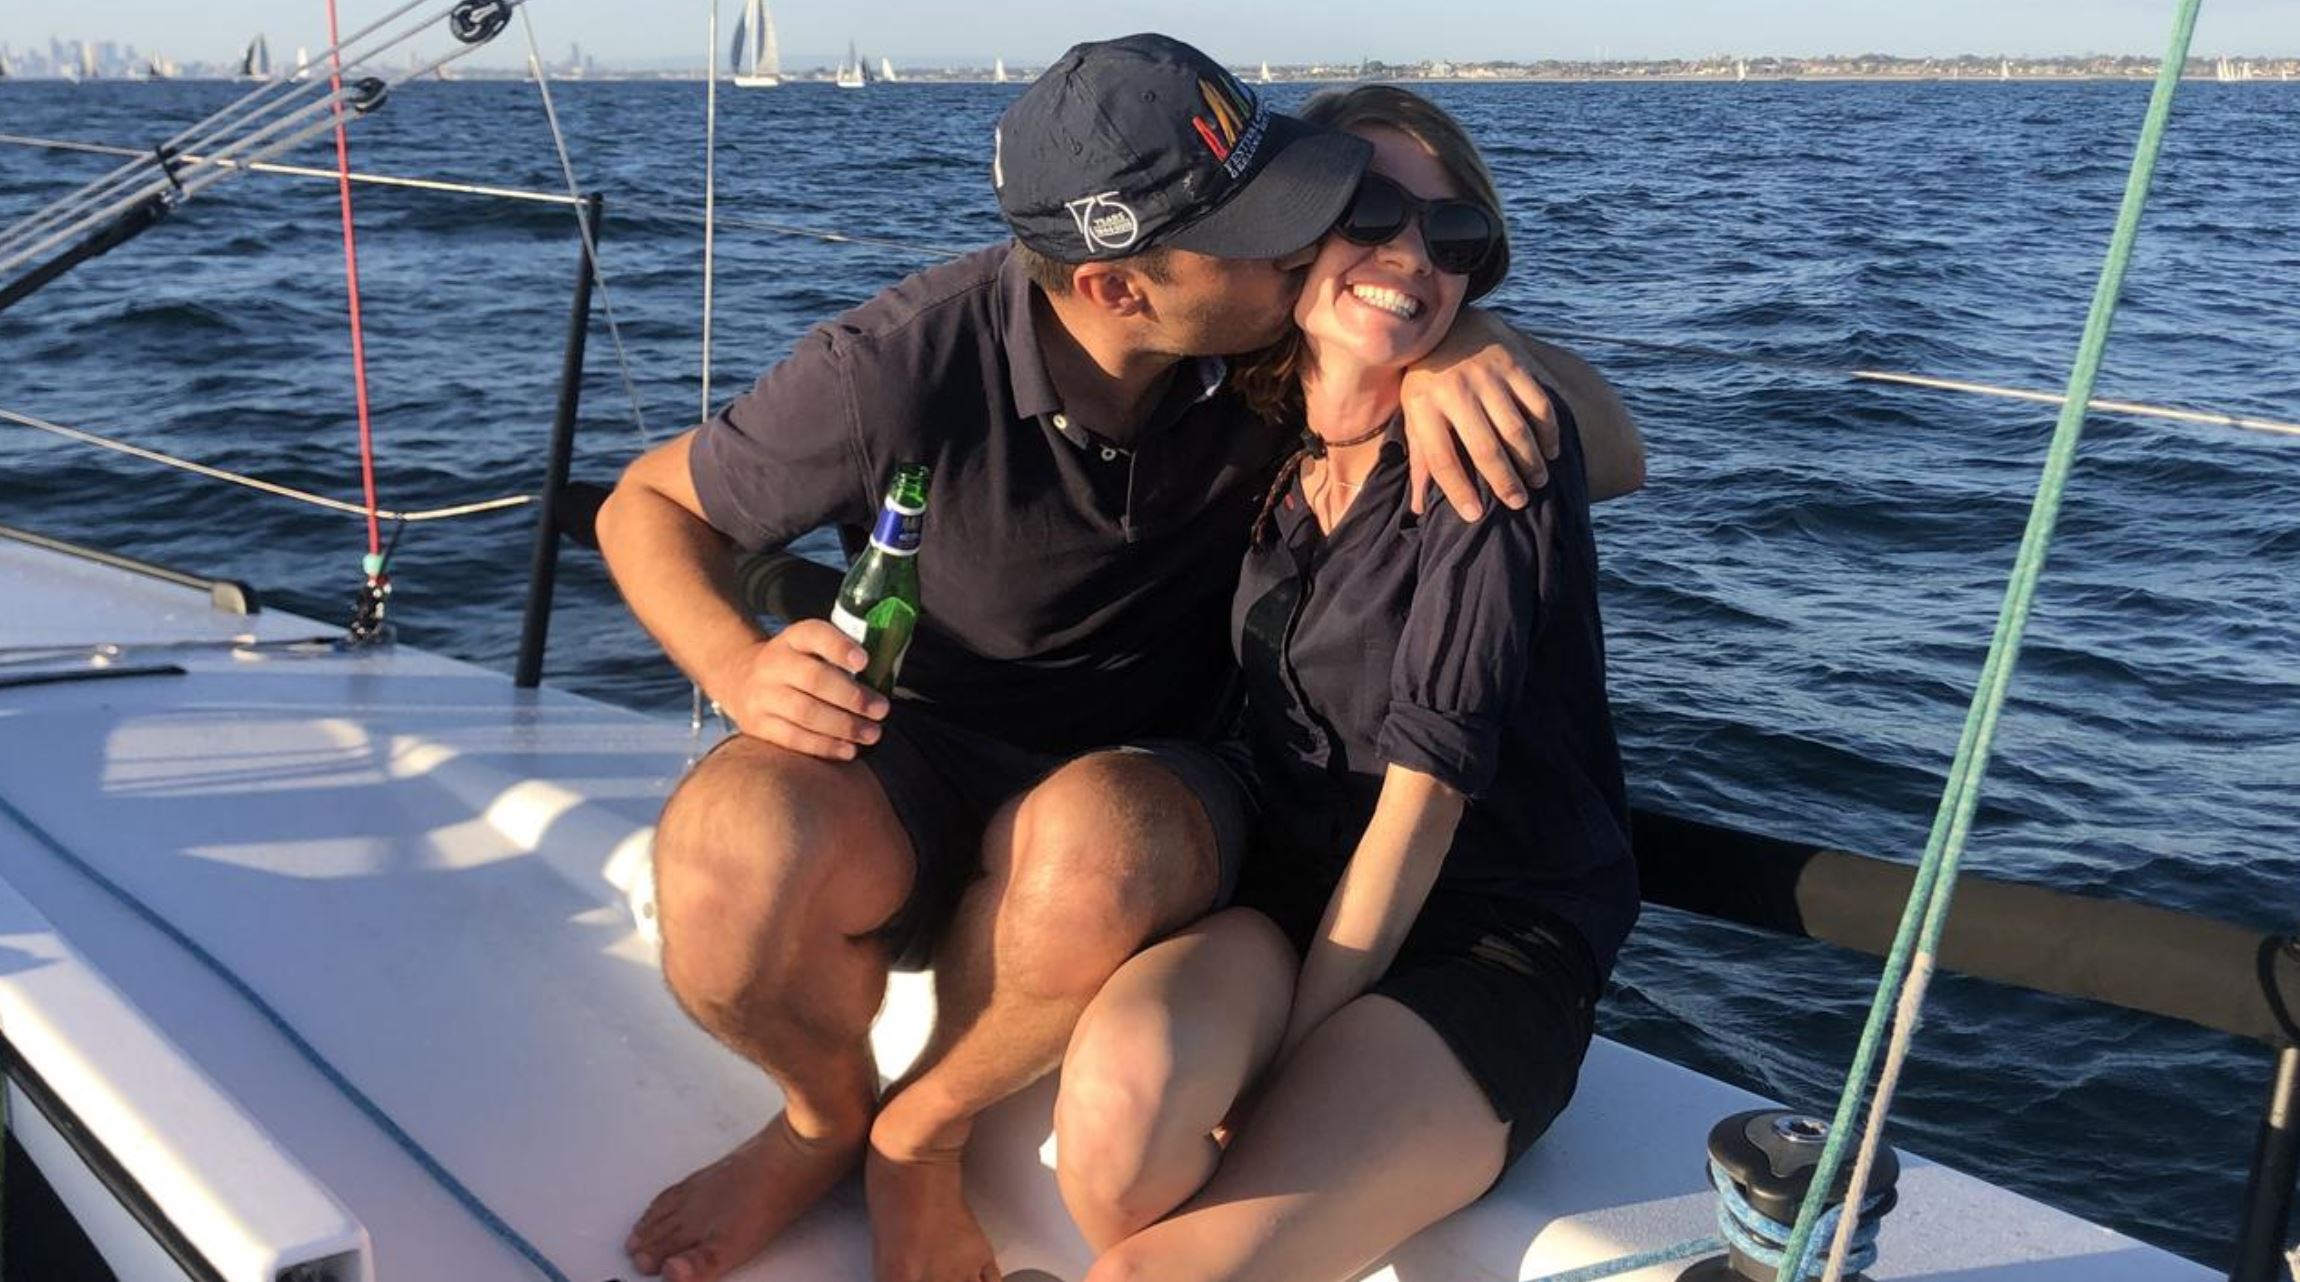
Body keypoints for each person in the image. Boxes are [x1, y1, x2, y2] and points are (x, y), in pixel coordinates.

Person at [598, 36, 1642, 1282]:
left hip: (1159, 794)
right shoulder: (900, 367)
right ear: (1116, 288)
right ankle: (823, 1120)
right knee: (728, 854)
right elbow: (643, 504)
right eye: (1275, 227)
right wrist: (738, 664)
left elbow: (1609, 452)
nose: (1301, 248)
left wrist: (1468, 344)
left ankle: (921, 1131)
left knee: (1100, 845)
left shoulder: (1272, 356)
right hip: (928, 752)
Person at [1049, 85, 1640, 1282]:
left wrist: (1288, 1065)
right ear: (1285, 232)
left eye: (1452, 236)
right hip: (1291, 884)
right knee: (1113, 1134)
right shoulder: (1264, 438)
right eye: (1367, 213)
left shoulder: (1486, 458)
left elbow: (1422, 810)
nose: (1410, 256)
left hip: (1478, 930)